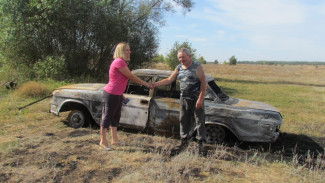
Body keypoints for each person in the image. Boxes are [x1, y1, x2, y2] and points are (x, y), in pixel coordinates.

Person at [99, 42, 153, 151]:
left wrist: (121, 94)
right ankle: (102, 141)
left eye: (129, 50)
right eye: (127, 50)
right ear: (121, 51)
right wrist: (147, 84)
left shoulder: (121, 62)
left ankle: (114, 139)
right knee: (107, 117)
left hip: (117, 94)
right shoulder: (119, 62)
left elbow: (118, 80)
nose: (129, 52)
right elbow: (131, 76)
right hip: (111, 94)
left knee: (116, 117)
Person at [153, 47, 206, 154]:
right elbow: (169, 79)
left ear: (189, 56)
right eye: (179, 57)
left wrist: (200, 99)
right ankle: (184, 141)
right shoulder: (179, 67)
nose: (181, 59)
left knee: (199, 121)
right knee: (183, 119)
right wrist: (155, 84)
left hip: (196, 99)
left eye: (183, 57)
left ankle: (201, 145)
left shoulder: (197, 67)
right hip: (184, 99)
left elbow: (204, 83)